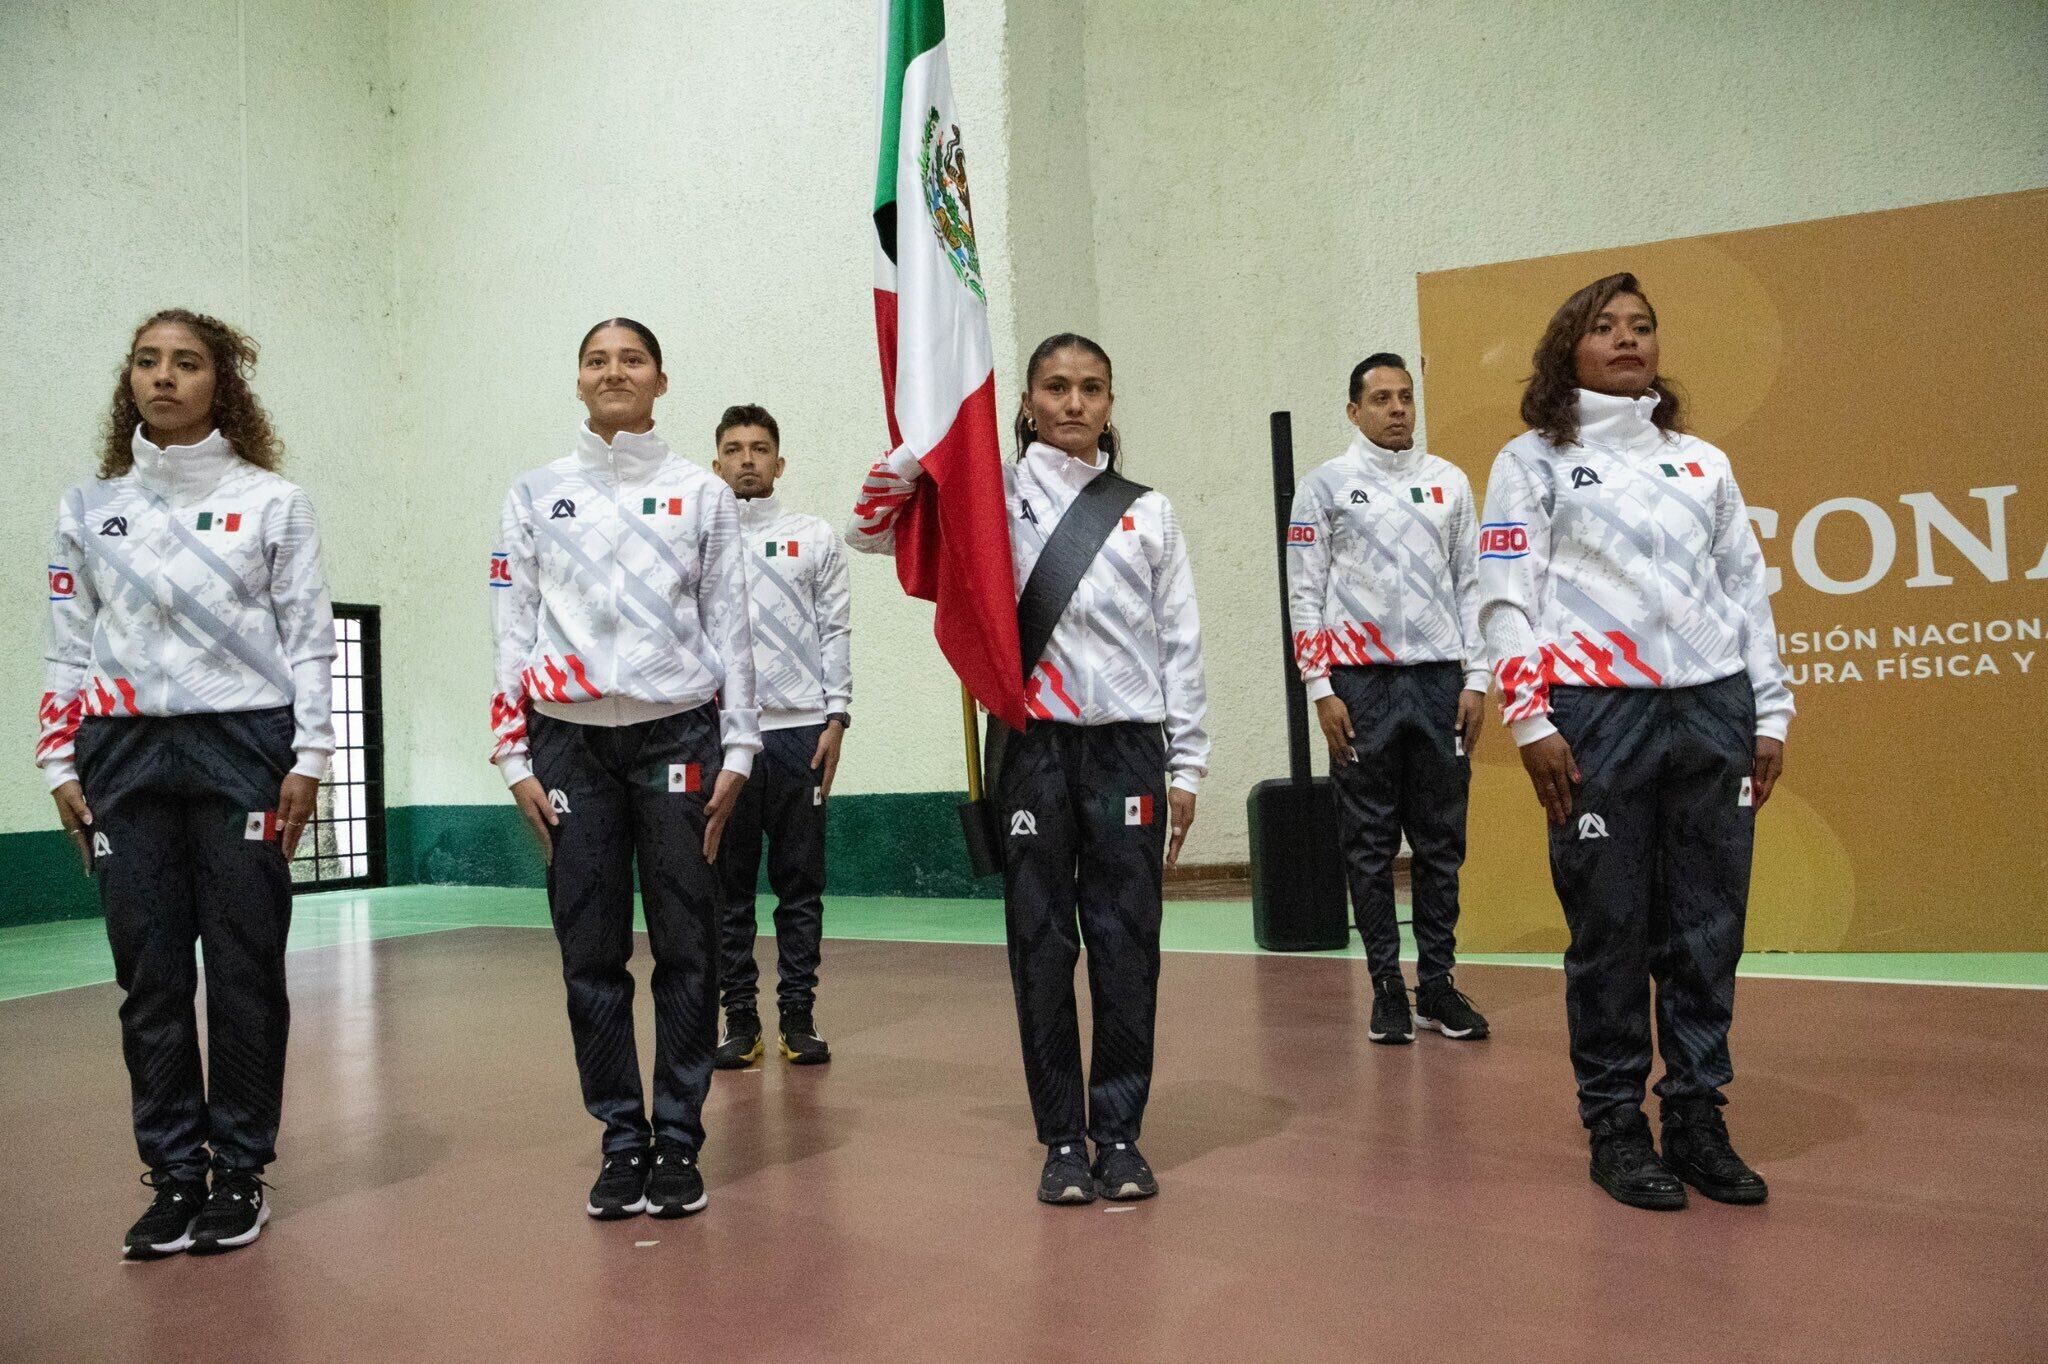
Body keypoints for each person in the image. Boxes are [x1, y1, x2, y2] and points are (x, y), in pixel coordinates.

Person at [848, 333, 1209, 1206]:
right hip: (1034, 750)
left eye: (1092, 387)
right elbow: (866, 529)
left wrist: (1187, 764)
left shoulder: (1147, 511)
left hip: (1128, 748)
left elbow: (1181, 643)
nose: (1074, 403)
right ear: (1027, 404)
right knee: (1041, 947)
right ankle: (1060, 1138)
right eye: (1056, 387)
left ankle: (1119, 1133)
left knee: (1128, 946)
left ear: (1112, 405)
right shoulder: (986, 498)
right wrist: (924, 438)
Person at [1477, 273, 1792, 1211]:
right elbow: (1504, 599)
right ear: (1567, 348)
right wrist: (1531, 717)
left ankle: (1697, 1118)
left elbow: (1746, 592)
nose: (1627, 340)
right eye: (1605, 327)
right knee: (1611, 932)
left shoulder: (1704, 464)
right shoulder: (1528, 461)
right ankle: (1616, 1129)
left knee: (1706, 931)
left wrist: (1768, 712)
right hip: (1594, 716)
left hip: (1711, 710)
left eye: (1642, 327)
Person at [39, 309, 334, 1258]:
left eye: (188, 363)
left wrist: (311, 756)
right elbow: (66, 647)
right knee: (148, 978)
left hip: (242, 744)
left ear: (222, 382)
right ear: (130, 379)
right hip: (120, 753)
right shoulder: (88, 510)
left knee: (244, 971)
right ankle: (173, 1174)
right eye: (148, 362)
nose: (164, 377)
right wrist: (57, 757)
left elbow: (310, 639)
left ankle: (240, 1171)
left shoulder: (273, 503)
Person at [489, 318, 758, 1220]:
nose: (615, 372)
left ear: (661, 380)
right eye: (598, 361)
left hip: (678, 736)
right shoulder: (534, 494)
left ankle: (677, 1139)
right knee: (590, 954)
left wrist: (744, 745)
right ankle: (620, 1138)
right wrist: (510, 749)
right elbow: (511, 626)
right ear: (577, 382)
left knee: (688, 947)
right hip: (567, 742)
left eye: (631, 359)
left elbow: (732, 626)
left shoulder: (700, 494)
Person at [1288, 352, 1491, 1046]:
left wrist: (1477, 678)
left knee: (1441, 843)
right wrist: (1321, 689)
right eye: (1381, 399)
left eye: (1406, 397)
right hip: (1359, 686)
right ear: (1354, 411)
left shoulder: (1450, 484)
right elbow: (1304, 594)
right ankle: (1385, 986)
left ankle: (1436, 983)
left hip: (1440, 683)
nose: (1398, 409)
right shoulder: (1324, 487)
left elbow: (1474, 586)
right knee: (1369, 845)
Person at [708, 404, 851, 1070]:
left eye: (759, 448)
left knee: (800, 890)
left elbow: (835, 631)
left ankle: (798, 1018)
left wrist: (837, 715)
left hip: (799, 738)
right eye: (734, 449)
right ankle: (741, 1020)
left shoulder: (815, 537)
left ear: (779, 462)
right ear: (716, 463)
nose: (746, 459)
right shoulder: (698, 539)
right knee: (727, 892)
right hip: (721, 741)